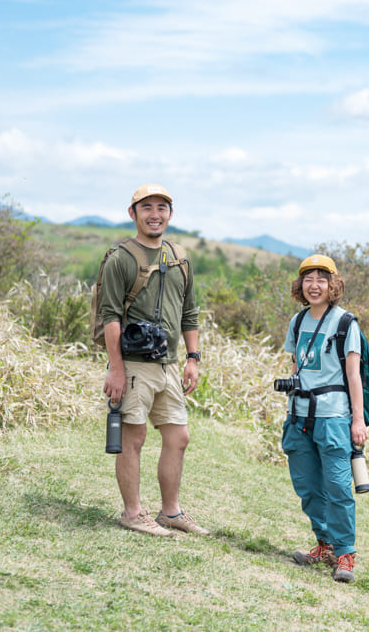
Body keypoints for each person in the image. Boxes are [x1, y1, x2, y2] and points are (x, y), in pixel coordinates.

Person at [101, 184, 206, 537]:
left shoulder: (179, 257)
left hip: (170, 365)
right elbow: (110, 317)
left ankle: (170, 512)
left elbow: (189, 313)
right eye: (147, 207)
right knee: (134, 438)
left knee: (178, 437)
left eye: (162, 207)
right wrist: (116, 369)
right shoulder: (121, 258)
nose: (155, 214)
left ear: (170, 214)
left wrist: (192, 359)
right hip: (133, 365)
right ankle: (132, 513)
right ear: (133, 214)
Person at [281, 254, 368, 583]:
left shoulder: (346, 323)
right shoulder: (297, 321)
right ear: (300, 285)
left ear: (333, 285)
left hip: (334, 417)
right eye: (308, 279)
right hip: (298, 416)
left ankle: (345, 553)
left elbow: (354, 376)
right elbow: (296, 365)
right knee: (308, 487)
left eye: (321, 279)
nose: (314, 285)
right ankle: (325, 543)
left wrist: (357, 421)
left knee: (337, 487)